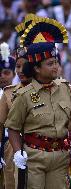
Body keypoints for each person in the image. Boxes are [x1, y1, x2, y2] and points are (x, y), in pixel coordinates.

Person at [5, 17, 71, 189]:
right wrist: (17, 153)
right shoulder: (23, 95)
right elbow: (13, 128)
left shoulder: (65, 88)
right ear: (37, 68)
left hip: (60, 156)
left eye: (57, 63)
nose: (56, 67)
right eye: (50, 63)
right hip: (34, 156)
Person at [0, 46, 30, 189]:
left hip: (42, 147)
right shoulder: (8, 93)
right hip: (11, 145)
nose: (2, 76)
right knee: (12, 182)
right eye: (17, 66)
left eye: (6, 72)